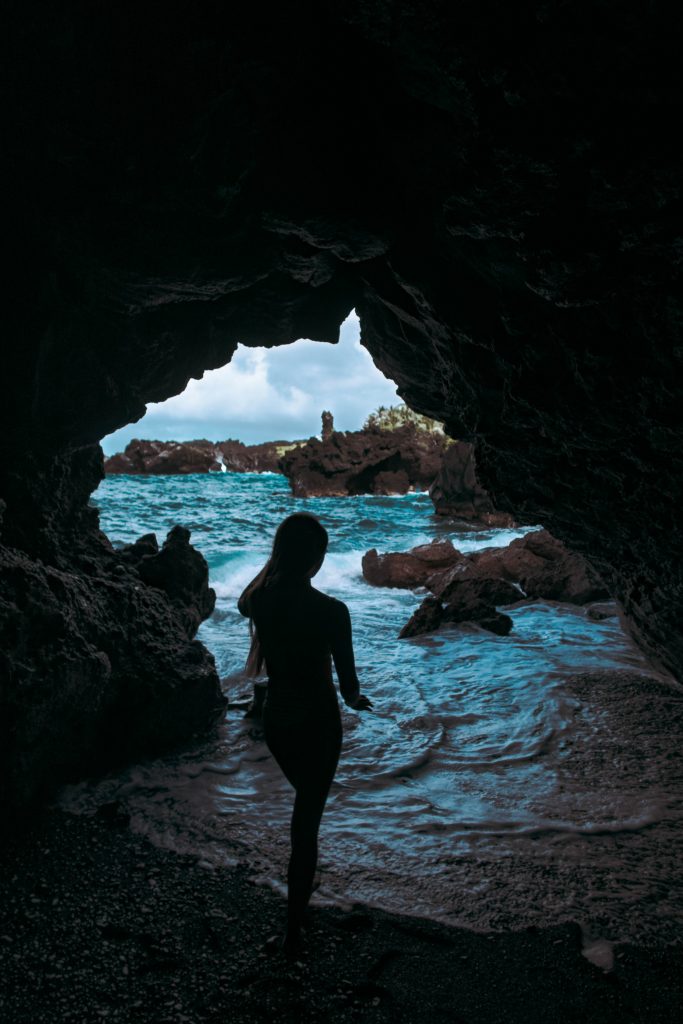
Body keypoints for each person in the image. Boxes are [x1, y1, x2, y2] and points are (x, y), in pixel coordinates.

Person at [238, 512, 372, 955]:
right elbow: (349, 688)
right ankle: (294, 929)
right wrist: (357, 702)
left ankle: (299, 909)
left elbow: (243, 600)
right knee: (306, 825)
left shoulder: (260, 601)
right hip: (318, 722)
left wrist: (275, 565)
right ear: (316, 557)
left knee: (303, 816)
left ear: (280, 554)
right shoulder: (333, 612)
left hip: (277, 720)